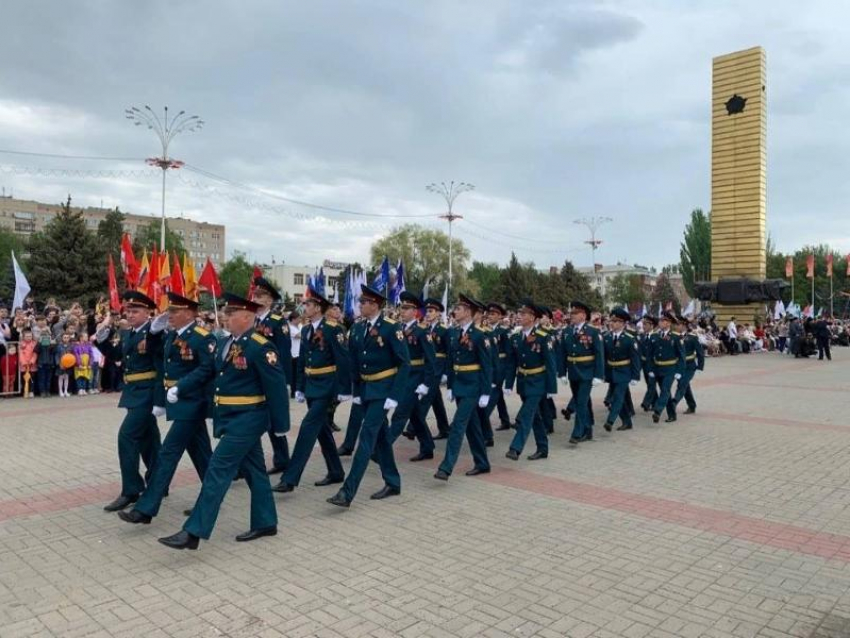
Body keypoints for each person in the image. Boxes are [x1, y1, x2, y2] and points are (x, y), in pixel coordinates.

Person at [158, 293, 290, 550]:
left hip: (249, 418)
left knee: (217, 470)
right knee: (255, 471)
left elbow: (275, 388)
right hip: (230, 417)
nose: (225, 317)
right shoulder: (225, 343)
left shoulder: (261, 346)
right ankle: (265, 522)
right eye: (226, 313)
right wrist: (181, 388)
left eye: (231, 314)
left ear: (246, 316)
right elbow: (207, 370)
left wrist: (281, 424)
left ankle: (193, 531)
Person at [117, 292, 216, 525]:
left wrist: (181, 387)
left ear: (190, 313)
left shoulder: (202, 337)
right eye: (169, 310)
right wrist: (153, 332)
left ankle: (146, 509)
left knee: (167, 454)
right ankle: (212, 498)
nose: (169, 315)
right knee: (203, 458)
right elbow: (159, 362)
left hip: (192, 404)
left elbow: (208, 368)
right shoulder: (171, 336)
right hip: (178, 403)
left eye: (175, 311)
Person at [327, 285, 408, 507]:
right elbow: (353, 361)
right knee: (381, 437)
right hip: (365, 389)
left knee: (366, 438)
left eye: (364, 302)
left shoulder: (392, 328)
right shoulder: (358, 327)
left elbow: (404, 363)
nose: (360, 305)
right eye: (360, 301)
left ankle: (347, 491)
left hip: (383, 390)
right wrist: (355, 391)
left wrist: (395, 395)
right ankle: (393, 481)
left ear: (375, 305)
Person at [273, 287, 350, 494]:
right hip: (311, 385)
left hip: (327, 385)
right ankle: (335, 471)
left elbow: (343, 359)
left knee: (308, 428)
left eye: (307, 304)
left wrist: (344, 388)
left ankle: (290, 478)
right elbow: (302, 361)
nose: (304, 307)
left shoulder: (334, 329)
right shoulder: (306, 330)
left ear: (317, 308)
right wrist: (299, 387)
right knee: (322, 430)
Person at [96, 291, 163, 512]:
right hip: (132, 392)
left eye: (136, 311)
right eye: (129, 311)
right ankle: (158, 481)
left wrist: (160, 398)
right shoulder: (128, 333)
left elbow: (161, 364)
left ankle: (131, 489)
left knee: (127, 436)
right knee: (148, 440)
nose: (131, 314)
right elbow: (118, 356)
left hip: (147, 392)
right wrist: (103, 339)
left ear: (148, 312)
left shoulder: (155, 333)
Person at [433, 294, 492, 481]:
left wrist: (485, 392)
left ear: (468, 312)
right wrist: (450, 386)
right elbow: (451, 361)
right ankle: (482, 463)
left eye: (458, 309)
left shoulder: (480, 335)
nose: (454, 312)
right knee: (472, 427)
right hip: (459, 386)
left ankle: (446, 466)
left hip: (473, 387)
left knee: (458, 425)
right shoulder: (454, 333)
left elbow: (487, 365)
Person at [386, 291, 437, 462]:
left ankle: (381, 450)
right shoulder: (398, 329)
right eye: (402, 307)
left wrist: (426, 384)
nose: (402, 311)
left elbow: (431, 360)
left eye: (407, 308)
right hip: (402, 377)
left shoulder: (422, 331)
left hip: (415, 378)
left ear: (415, 311)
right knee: (415, 415)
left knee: (399, 415)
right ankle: (427, 447)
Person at [503, 300, 556, 460]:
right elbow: (512, 363)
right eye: (519, 313)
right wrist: (508, 384)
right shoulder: (516, 337)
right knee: (535, 416)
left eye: (524, 314)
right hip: (523, 381)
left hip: (538, 381)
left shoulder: (543, 337)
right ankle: (543, 448)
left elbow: (550, 363)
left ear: (533, 317)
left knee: (526, 415)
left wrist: (552, 388)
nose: (519, 316)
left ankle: (515, 448)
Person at [251, 276, 292, 476]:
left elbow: (283, 352)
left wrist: (284, 382)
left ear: (269, 300)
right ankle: (247, 463)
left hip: (271, 378)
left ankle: (283, 459)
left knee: (275, 422)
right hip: (253, 379)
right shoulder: (250, 319)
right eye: (255, 294)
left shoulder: (277, 322)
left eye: (260, 296)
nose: (256, 298)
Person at [561, 301, 604, 445]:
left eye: (575, 313)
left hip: (587, 372)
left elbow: (599, 355)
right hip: (573, 372)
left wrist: (599, 375)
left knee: (580, 402)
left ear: (583, 315)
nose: (571, 315)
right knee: (585, 403)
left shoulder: (593, 332)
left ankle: (577, 433)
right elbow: (562, 354)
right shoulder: (567, 331)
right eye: (571, 313)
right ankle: (588, 430)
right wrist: (562, 372)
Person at [602, 308, 641, 432]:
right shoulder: (607, 337)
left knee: (617, 397)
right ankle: (627, 422)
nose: (612, 324)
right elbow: (603, 357)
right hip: (611, 372)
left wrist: (635, 376)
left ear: (623, 323)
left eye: (616, 321)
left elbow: (635, 359)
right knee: (622, 400)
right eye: (611, 321)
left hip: (624, 372)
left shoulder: (629, 338)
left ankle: (610, 421)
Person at [648, 311, 686, 424]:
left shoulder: (676, 337)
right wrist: (650, 369)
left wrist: (679, 371)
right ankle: (672, 414)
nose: (661, 322)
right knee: (666, 392)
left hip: (670, 368)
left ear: (669, 323)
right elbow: (650, 354)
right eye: (660, 320)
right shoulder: (654, 336)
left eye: (664, 320)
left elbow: (682, 356)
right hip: (657, 368)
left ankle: (657, 411)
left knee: (664, 389)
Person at [669, 315, 704, 417]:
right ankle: (692, 405)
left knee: (682, 384)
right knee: (685, 386)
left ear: (684, 325)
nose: (676, 326)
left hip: (689, 366)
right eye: (676, 324)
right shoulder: (673, 337)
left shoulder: (692, 338)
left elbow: (700, 353)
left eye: (678, 324)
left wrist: (700, 367)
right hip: (678, 366)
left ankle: (674, 402)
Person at [485, 302, 513, 432]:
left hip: (500, 366)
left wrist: (508, 374)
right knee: (498, 394)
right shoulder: (485, 330)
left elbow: (509, 353)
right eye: (489, 313)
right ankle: (505, 420)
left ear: (500, 316)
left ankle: (483, 418)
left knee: (494, 393)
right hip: (489, 365)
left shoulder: (504, 332)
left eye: (493, 314)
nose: (490, 316)